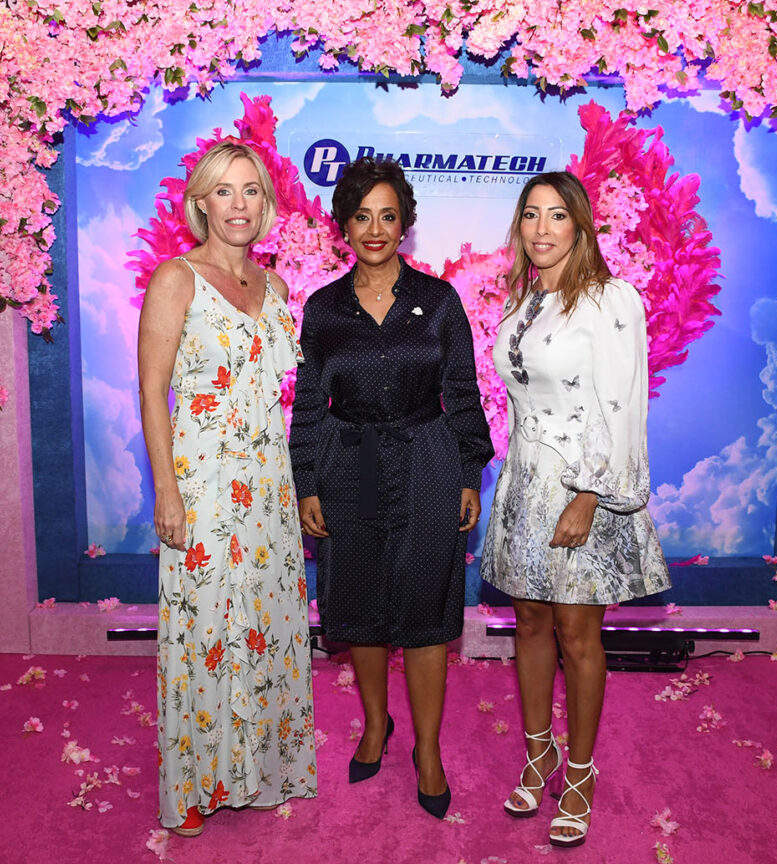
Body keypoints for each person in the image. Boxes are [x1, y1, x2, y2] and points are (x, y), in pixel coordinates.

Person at [289, 157, 493, 819]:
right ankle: (376, 725)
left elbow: (462, 392)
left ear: (405, 224)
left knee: (427, 609)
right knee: (362, 602)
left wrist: (469, 473)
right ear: (343, 225)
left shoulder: (439, 301)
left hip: (429, 459)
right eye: (362, 216)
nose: (375, 229)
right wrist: (307, 482)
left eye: (388, 215)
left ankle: (427, 750)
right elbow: (308, 406)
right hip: (349, 464)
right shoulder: (322, 310)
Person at [481, 171, 671, 848]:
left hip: (582, 489)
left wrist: (590, 494)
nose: (541, 229)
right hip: (525, 487)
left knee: (578, 634)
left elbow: (622, 404)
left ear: (581, 225)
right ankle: (540, 754)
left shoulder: (610, 299)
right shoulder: (524, 302)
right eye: (531, 215)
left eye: (557, 215)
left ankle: (581, 775)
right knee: (530, 622)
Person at [138, 141, 317, 837]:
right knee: (205, 626)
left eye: (250, 191)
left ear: (264, 203)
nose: (238, 205)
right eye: (223, 191)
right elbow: (153, 390)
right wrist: (167, 489)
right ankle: (192, 786)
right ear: (201, 204)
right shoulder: (176, 278)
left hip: (268, 483)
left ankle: (257, 771)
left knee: (263, 623)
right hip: (203, 481)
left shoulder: (275, 288)